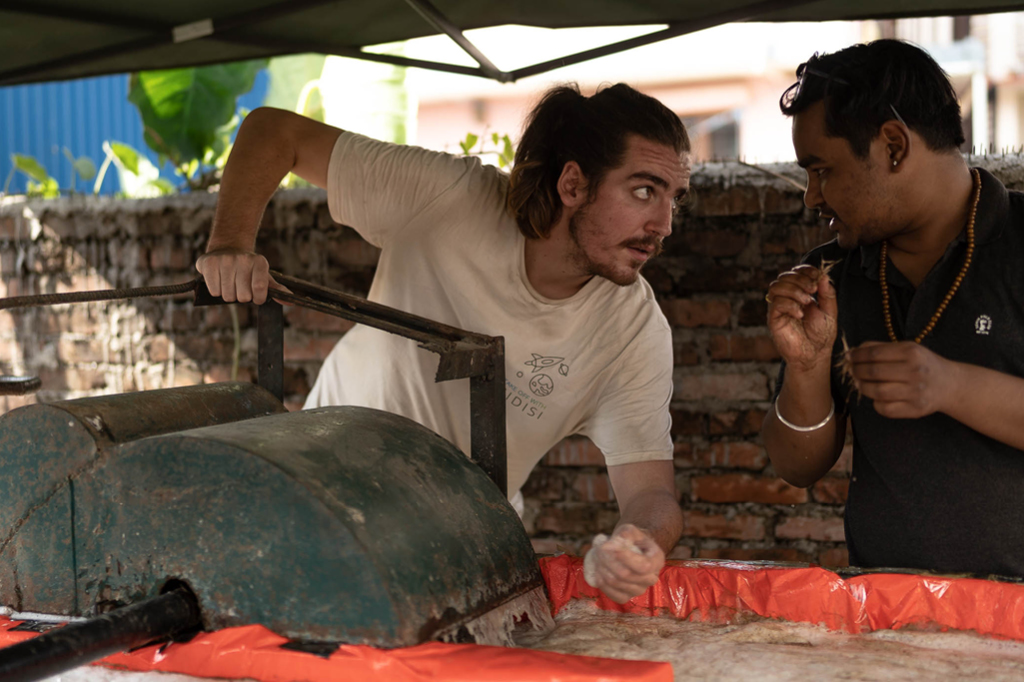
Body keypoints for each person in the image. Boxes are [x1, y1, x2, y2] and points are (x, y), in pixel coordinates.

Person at [196, 83, 691, 602]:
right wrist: (230, 244)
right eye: (643, 191)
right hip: (320, 498)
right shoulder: (446, 195)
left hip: (458, 552)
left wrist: (640, 542)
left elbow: (653, 494)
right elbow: (275, 130)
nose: (664, 226)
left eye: (673, 199)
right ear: (573, 184)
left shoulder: (634, 330)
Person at [763, 39, 1024, 577]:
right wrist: (806, 367)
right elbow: (797, 467)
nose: (811, 196)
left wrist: (949, 386)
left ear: (893, 145)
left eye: (822, 170)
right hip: (886, 625)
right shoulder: (831, 276)